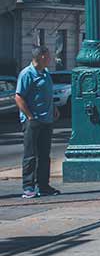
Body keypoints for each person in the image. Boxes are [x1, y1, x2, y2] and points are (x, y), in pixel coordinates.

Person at [15, 45, 59, 199]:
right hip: (33, 121)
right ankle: (28, 187)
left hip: (46, 120)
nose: (50, 59)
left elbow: (47, 94)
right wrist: (29, 117)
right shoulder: (27, 74)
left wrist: (53, 108)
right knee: (30, 155)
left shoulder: (46, 74)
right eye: (48, 56)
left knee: (44, 155)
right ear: (41, 57)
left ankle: (44, 185)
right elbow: (19, 96)